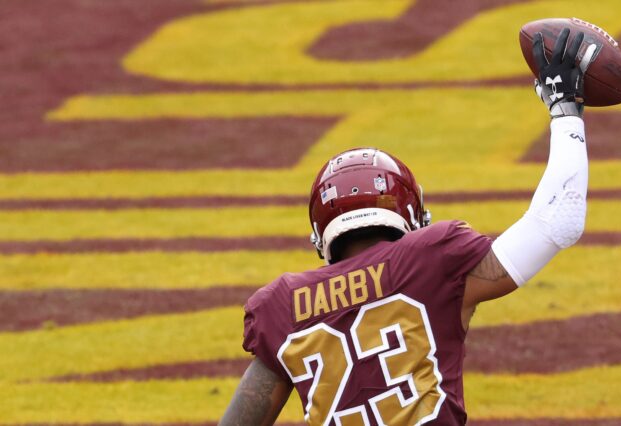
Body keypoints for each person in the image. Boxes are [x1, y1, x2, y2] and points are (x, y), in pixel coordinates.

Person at [220, 28, 594, 425]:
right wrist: (564, 109)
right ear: (411, 213)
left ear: (321, 234)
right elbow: (559, 220)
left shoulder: (283, 305)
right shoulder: (430, 261)